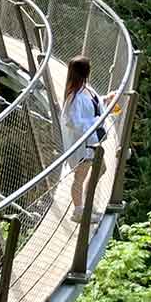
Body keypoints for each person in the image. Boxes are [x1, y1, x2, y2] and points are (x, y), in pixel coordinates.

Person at [62, 56, 117, 220]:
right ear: (85, 71)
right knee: (79, 177)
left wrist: (106, 99)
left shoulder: (86, 89)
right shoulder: (73, 96)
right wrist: (96, 121)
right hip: (83, 144)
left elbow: (94, 105)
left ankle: (85, 204)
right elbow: (72, 122)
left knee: (101, 169)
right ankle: (79, 212)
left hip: (92, 141)